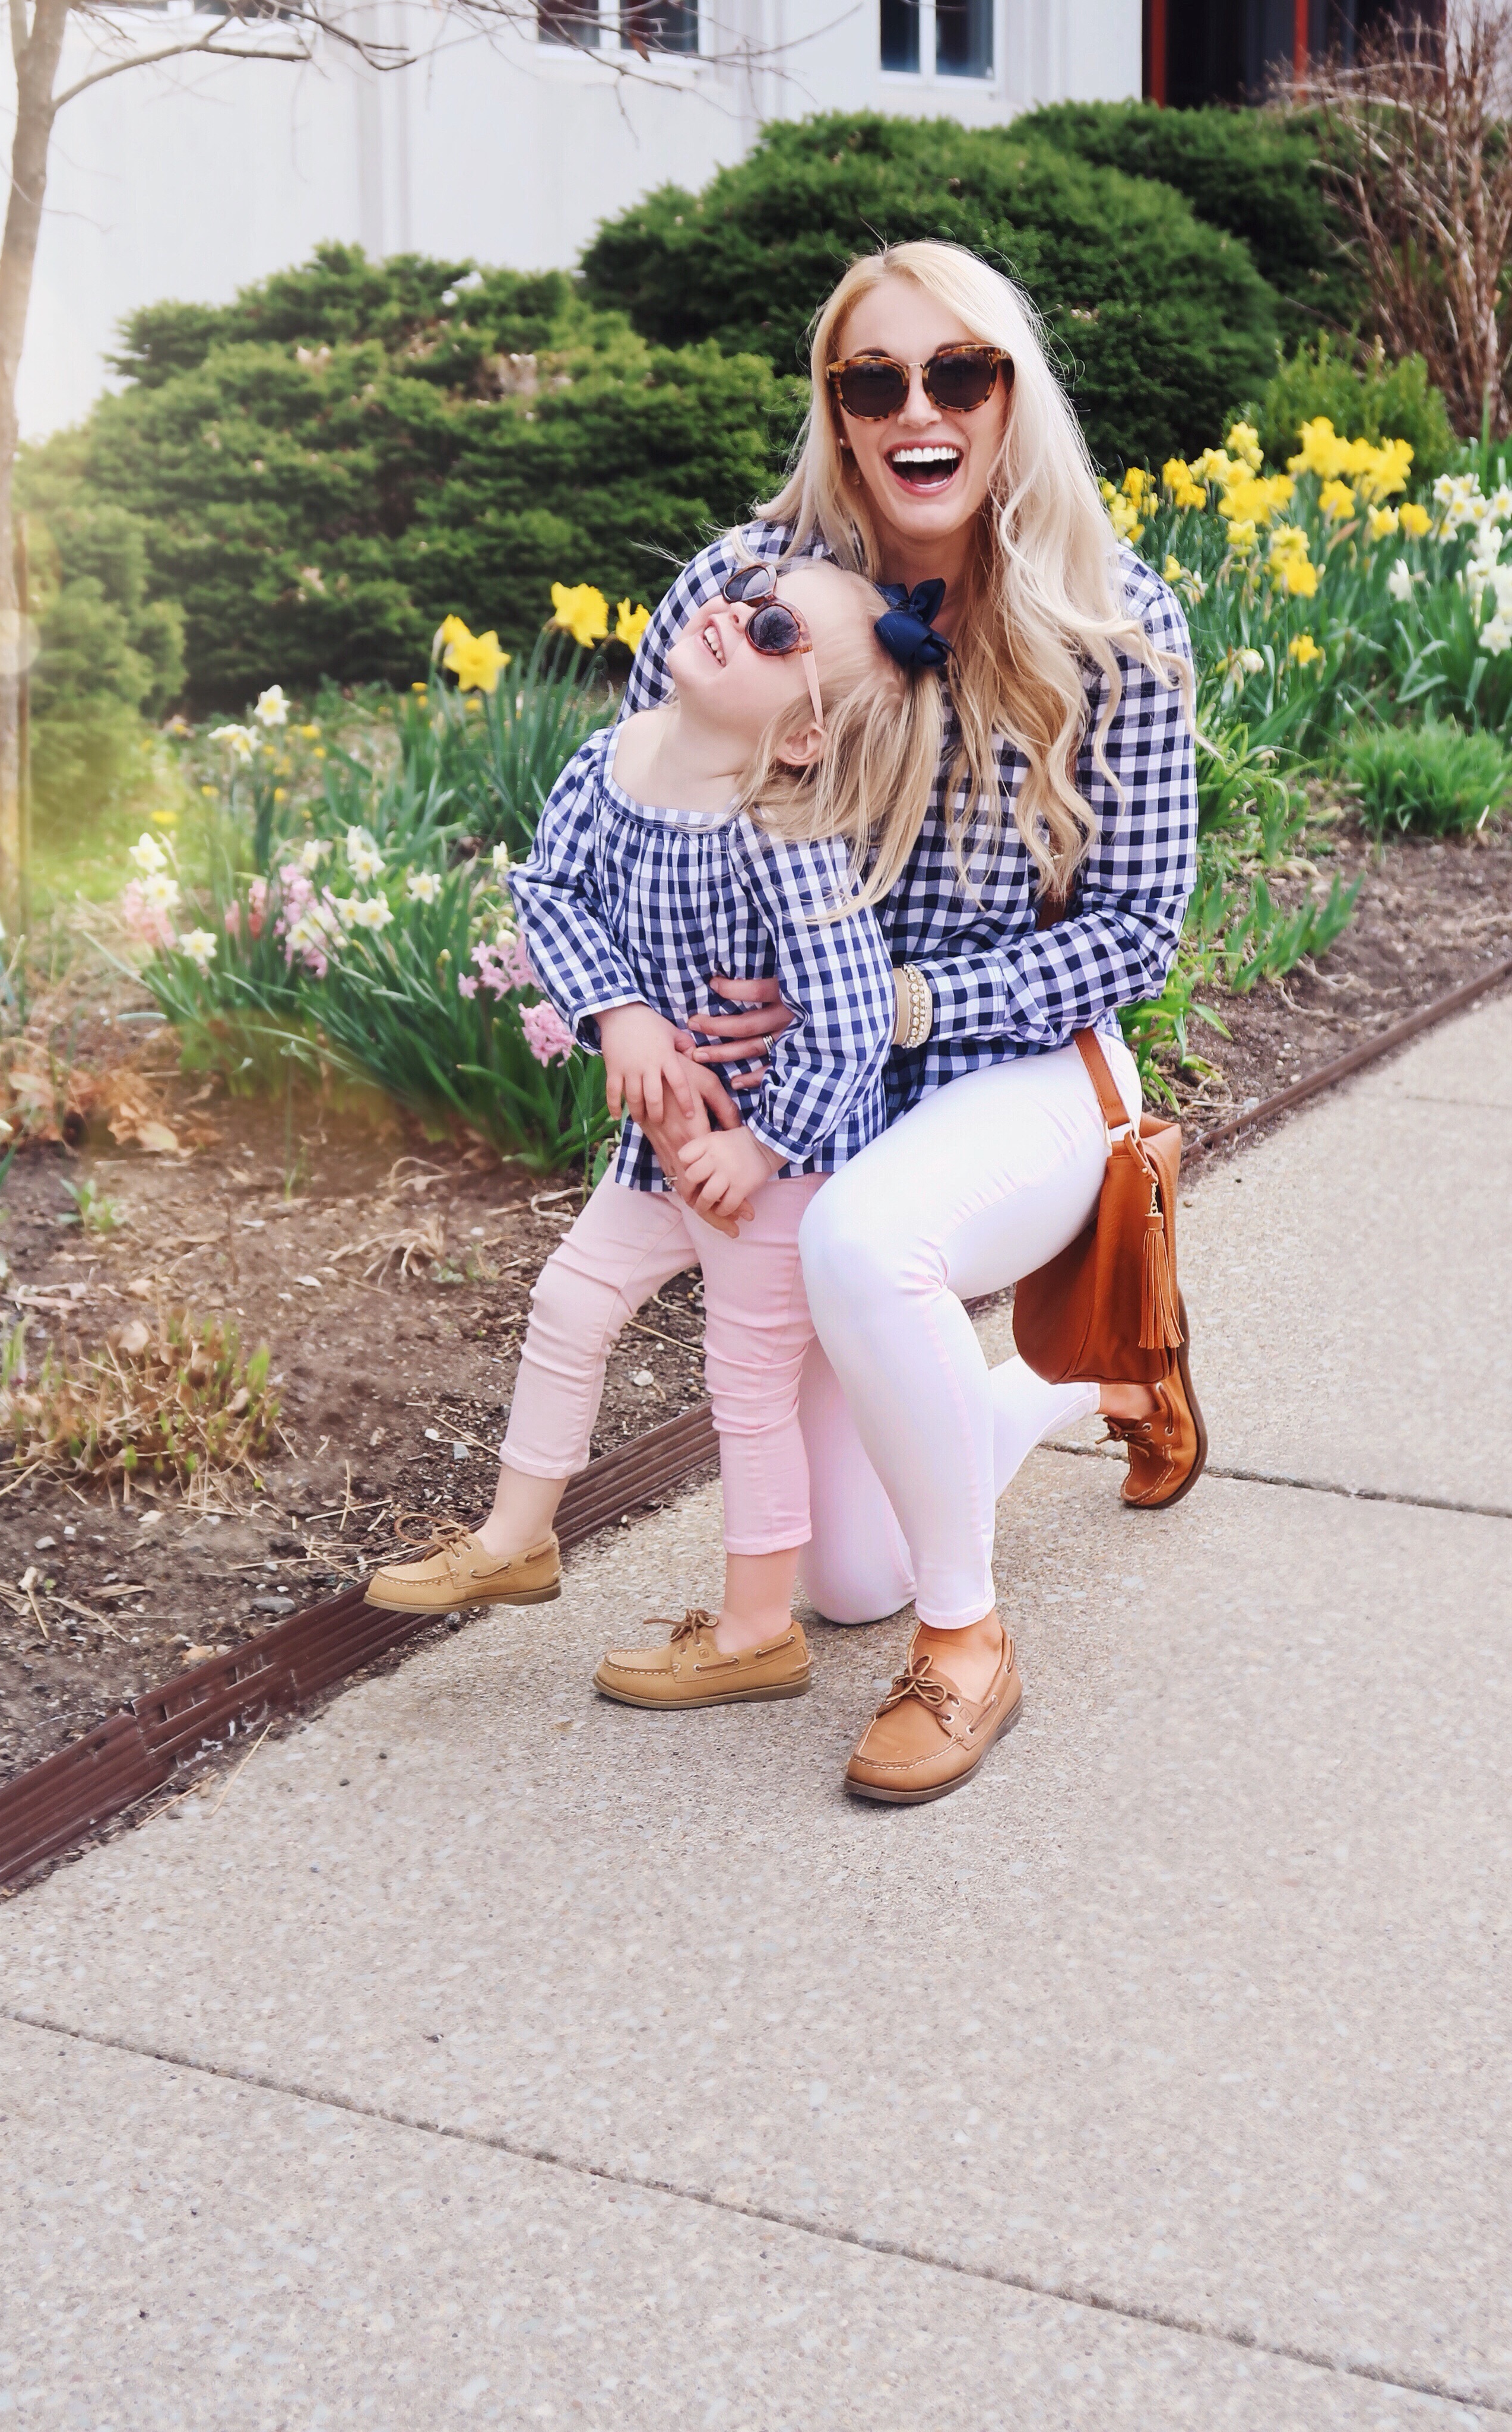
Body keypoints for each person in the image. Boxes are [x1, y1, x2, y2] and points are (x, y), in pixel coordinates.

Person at [599, 238, 1202, 1804]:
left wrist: (898, 1003)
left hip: (1025, 1068)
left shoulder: (1111, 618)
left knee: (864, 1245)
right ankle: (1109, 1368)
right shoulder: (738, 595)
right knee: (844, 1574)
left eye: (959, 372)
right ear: (836, 406)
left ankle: (968, 1648)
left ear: (1011, 394)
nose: (915, 409)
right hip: (818, 1095)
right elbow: (628, 805)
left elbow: (1136, 934)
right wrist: (638, 1011)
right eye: (875, 379)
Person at [366, 559, 946, 1710]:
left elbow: (850, 1017)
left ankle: (754, 1629)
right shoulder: (614, 758)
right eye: (748, 590)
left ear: (799, 740)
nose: (735, 610)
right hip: (663, 1142)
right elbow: (551, 890)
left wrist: (764, 1147)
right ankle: (517, 1536)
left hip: (776, 1159)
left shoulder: (784, 831)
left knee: (747, 1386)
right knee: (571, 1299)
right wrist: (618, 1009)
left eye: (776, 627)